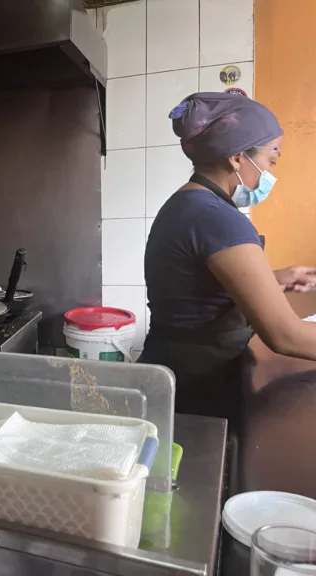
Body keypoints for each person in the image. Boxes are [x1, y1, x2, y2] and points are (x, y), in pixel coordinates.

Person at [140, 92, 316, 427]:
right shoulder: (218, 219)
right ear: (237, 158)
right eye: (270, 161)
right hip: (200, 389)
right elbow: (285, 336)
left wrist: (273, 278)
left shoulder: (185, 204)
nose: (269, 174)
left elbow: (196, 289)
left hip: (172, 373)